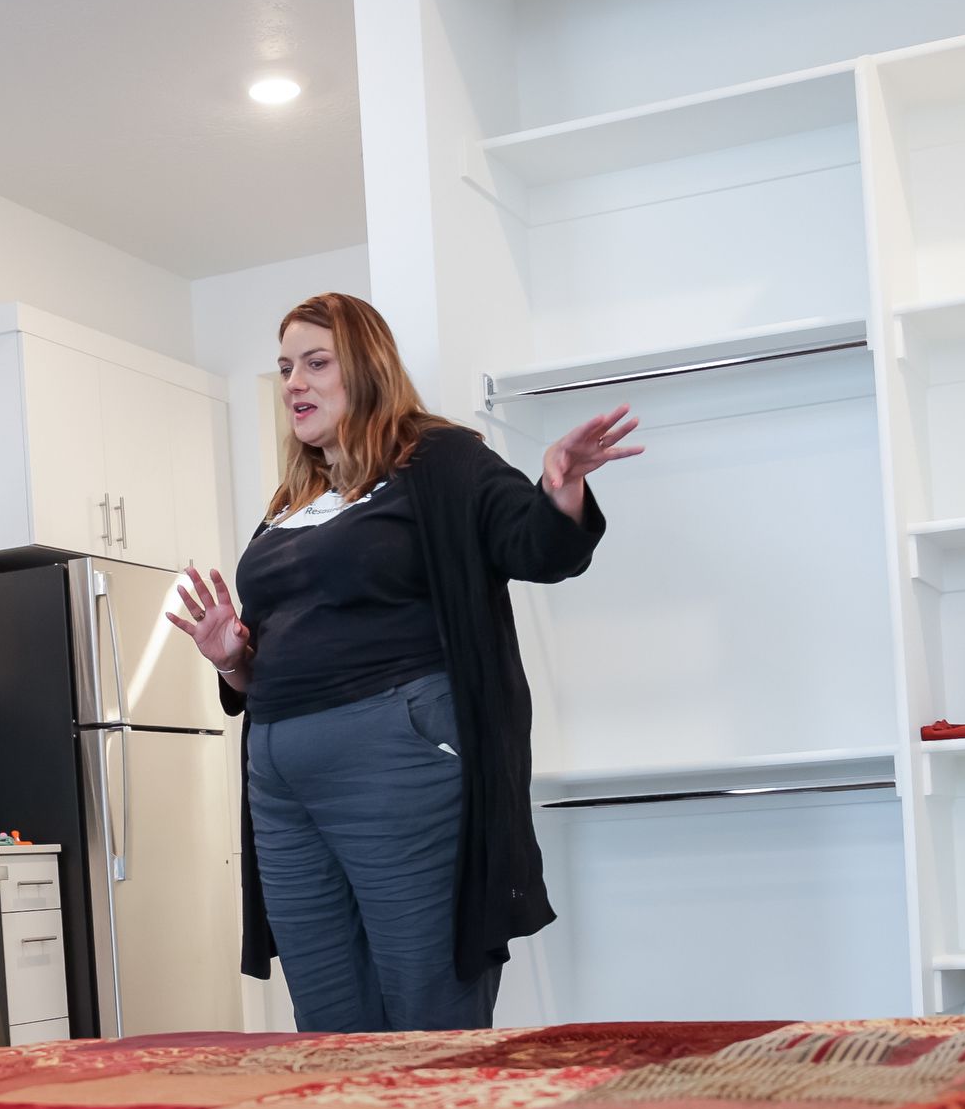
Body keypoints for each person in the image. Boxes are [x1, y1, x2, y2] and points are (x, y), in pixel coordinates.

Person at [168, 292, 639, 1032]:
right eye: (286, 366)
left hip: (395, 757)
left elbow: (537, 548)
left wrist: (559, 489)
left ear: (367, 367)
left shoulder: (439, 460)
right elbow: (272, 654)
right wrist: (232, 661)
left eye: (316, 362)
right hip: (279, 778)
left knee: (426, 1000)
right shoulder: (293, 499)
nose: (294, 381)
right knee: (326, 1016)